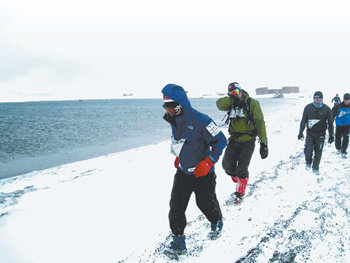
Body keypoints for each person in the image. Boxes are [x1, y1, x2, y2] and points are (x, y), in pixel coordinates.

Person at [161, 84, 227, 255]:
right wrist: (179, 156)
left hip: (203, 174)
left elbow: (221, 141)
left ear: (180, 105)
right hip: (183, 173)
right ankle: (178, 242)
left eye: (170, 107)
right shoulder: (174, 120)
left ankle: (216, 220)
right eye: (165, 107)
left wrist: (208, 162)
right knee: (176, 206)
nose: (167, 111)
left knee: (204, 203)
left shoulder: (202, 120)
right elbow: (182, 141)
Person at [216, 82, 268, 204]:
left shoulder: (252, 103)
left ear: (242, 91)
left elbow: (260, 122)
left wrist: (264, 143)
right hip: (234, 140)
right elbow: (219, 104)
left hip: (248, 141)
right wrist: (232, 99)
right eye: (232, 93)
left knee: (242, 167)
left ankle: (240, 192)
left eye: (237, 92)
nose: (235, 95)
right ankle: (240, 179)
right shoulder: (231, 103)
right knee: (227, 166)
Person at [298, 91, 334, 174]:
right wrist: (300, 132)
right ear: (313, 99)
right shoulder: (308, 107)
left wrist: (331, 134)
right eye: (316, 98)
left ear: (322, 99)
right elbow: (303, 120)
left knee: (318, 151)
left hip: (321, 134)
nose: (317, 100)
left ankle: (315, 168)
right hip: (310, 133)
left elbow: (330, 123)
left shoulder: (327, 109)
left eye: (319, 99)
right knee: (308, 150)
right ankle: (308, 162)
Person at [332, 93, 350, 157]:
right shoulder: (338, 106)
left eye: (348, 100)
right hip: (339, 124)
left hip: (347, 125)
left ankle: (343, 150)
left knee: (346, 137)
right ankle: (338, 148)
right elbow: (333, 113)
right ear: (343, 100)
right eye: (345, 100)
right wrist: (331, 120)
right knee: (338, 137)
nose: (346, 101)